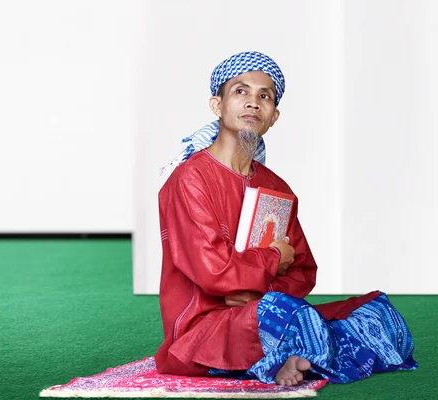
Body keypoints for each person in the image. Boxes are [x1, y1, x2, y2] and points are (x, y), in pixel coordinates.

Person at [155, 51, 418, 386]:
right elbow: (212, 273)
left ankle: (294, 353)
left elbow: (304, 271)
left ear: (273, 116)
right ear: (217, 105)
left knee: (377, 311)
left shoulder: (275, 187)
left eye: (264, 96)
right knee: (283, 317)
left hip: (265, 307)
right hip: (204, 328)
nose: (253, 103)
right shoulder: (190, 179)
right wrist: (274, 258)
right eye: (240, 91)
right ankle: (299, 351)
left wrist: (262, 292)